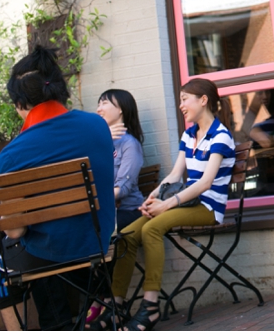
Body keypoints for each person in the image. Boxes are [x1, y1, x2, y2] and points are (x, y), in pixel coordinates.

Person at [0, 45, 115, 330]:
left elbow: (15, 230)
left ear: (20, 103)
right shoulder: (97, 125)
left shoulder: (12, 154)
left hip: (51, 252)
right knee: (21, 239)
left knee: (9, 247)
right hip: (98, 241)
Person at [95, 78, 238, 332]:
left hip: (208, 208)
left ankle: (150, 306)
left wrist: (168, 204)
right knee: (127, 235)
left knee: (151, 229)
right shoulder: (189, 134)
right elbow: (174, 175)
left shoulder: (221, 136)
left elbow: (205, 183)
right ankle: (116, 307)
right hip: (187, 202)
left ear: (203, 100)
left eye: (185, 99)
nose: (181, 105)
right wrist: (154, 196)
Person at [96, 89, 146, 232]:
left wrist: (95, 202)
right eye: (98, 104)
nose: (99, 109)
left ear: (120, 110)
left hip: (128, 210)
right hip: (104, 209)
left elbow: (123, 187)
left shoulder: (129, 144)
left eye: (104, 103)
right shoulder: (98, 142)